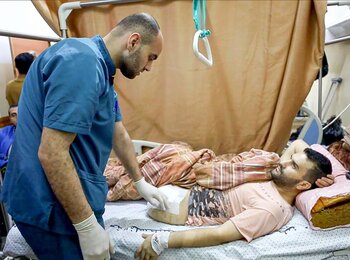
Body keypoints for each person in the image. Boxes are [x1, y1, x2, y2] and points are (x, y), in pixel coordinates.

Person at [1, 13, 169, 260]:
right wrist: (86, 225)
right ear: (133, 41)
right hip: (51, 207)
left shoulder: (100, 68)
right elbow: (52, 152)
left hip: (68, 200)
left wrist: (139, 181)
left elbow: (117, 131)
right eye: (151, 57)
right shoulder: (81, 62)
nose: (149, 67)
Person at [135, 140, 333, 259]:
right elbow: (298, 145)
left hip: (177, 206)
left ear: (303, 185)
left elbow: (219, 234)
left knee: (135, 173)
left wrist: (162, 240)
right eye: (291, 159)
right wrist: (322, 175)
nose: (285, 161)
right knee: (174, 151)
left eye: (294, 166)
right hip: (189, 184)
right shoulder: (281, 177)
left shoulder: (271, 209)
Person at [0, 104, 18, 173]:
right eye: (14, 115)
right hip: (9, 172)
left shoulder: (36, 132)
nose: (18, 117)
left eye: (21, 113)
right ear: (10, 119)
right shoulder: (3, 133)